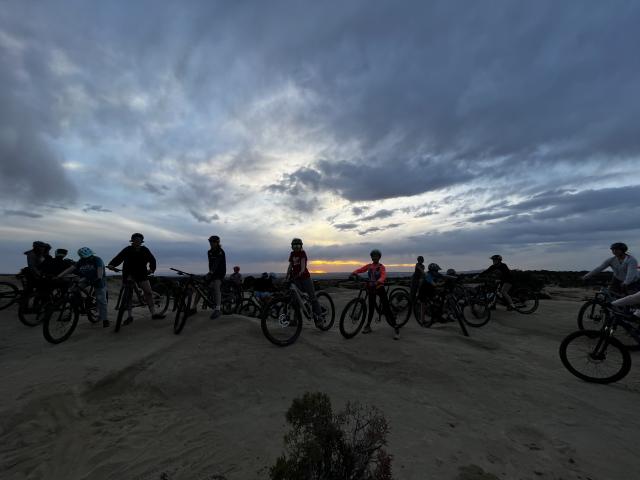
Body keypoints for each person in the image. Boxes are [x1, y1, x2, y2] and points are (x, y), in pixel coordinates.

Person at [107, 233, 164, 323]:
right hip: (128, 273)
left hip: (142, 273)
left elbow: (152, 260)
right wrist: (111, 264)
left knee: (148, 292)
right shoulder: (127, 249)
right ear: (132, 241)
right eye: (135, 239)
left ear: (141, 241)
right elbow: (119, 258)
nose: (137, 241)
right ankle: (130, 316)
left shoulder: (145, 250)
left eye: (139, 239)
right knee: (128, 295)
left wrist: (152, 269)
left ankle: (153, 313)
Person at [350, 249, 399, 340]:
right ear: (371, 257)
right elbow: (361, 269)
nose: (374, 257)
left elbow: (383, 275)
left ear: (379, 257)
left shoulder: (381, 267)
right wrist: (354, 273)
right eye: (373, 256)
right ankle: (368, 326)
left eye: (376, 256)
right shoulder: (369, 266)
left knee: (386, 307)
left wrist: (379, 281)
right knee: (371, 307)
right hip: (371, 287)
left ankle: (396, 327)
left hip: (379, 287)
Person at [57, 247, 109, 327]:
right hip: (87, 278)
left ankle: (105, 319)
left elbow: (100, 270)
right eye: (85, 257)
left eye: (89, 256)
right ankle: (80, 305)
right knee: (73, 289)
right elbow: (70, 269)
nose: (88, 258)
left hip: (98, 279)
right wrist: (59, 276)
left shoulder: (97, 259)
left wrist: (98, 278)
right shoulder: (81, 261)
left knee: (101, 300)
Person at [286, 238, 321, 322]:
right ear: (292, 246)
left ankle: (320, 317)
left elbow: (303, 266)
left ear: (301, 246)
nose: (296, 247)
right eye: (294, 245)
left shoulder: (302, 253)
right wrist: (286, 276)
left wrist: (300, 272)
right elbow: (290, 266)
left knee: (312, 297)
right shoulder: (292, 254)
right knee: (296, 299)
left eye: (298, 245)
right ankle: (295, 320)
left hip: (305, 277)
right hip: (296, 278)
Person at [207, 235, 227, 319]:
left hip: (220, 272)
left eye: (213, 242)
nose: (211, 243)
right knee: (201, 286)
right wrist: (210, 273)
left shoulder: (220, 251)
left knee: (216, 286)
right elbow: (210, 263)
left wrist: (211, 272)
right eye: (210, 241)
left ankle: (218, 309)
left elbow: (217, 263)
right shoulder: (209, 252)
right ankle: (193, 308)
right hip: (213, 273)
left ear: (217, 242)